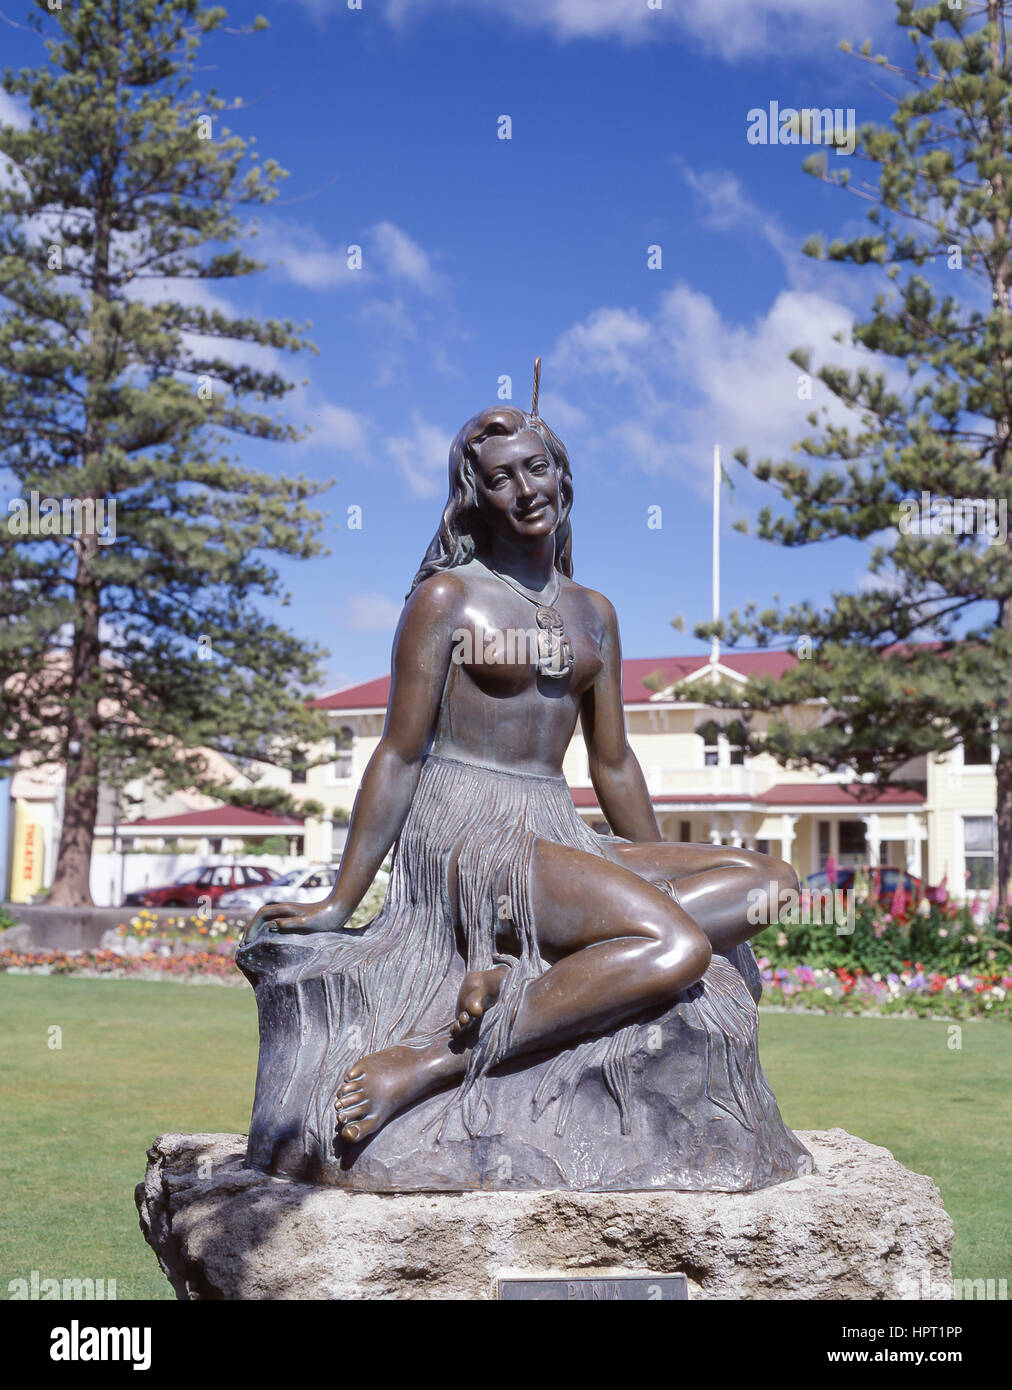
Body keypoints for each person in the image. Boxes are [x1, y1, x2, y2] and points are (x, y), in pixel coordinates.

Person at [245, 399, 797, 1145]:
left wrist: (654, 876)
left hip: (557, 829)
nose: (526, 489)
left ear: (563, 476)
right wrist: (342, 901)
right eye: (502, 479)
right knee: (679, 946)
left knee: (772, 885)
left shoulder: (593, 611)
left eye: (537, 468)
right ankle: (434, 1060)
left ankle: (529, 979)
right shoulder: (447, 599)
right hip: (471, 835)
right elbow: (399, 752)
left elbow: (612, 761)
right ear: (477, 496)